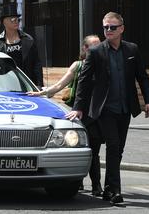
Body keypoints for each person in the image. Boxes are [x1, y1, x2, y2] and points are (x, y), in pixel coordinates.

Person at [66, 12, 149, 205]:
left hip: (125, 108)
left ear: (121, 28)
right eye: (105, 27)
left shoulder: (132, 49)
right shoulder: (96, 52)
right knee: (113, 146)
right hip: (104, 109)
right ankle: (114, 191)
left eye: (112, 27)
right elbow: (84, 80)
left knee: (118, 150)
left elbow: (143, 77)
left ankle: (107, 189)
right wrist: (79, 107)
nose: (108, 30)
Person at [28, 34, 103, 196]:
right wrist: (42, 93)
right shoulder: (78, 65)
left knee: (95, 148)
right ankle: (87, 183)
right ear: (85, 49)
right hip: (81, 112)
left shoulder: (104, 63)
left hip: (98, 113)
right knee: (85, 148)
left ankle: (90, 183)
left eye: (100, 45)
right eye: (94, 46)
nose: (98, 49)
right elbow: (61, 84)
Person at [0, 3, 43, 87]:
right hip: (5, 86)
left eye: (18, 19)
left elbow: (36, 64)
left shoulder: (28, 40)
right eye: (12, 19)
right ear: (4, 22)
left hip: (26, 86)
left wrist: (39, 85)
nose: (16, 22)